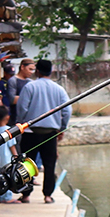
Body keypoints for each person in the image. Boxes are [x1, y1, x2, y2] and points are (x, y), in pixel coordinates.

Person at [14, 58, 70, 203]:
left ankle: (26, 194)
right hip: (51, 133)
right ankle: (48, 195)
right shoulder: (59, 89)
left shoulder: (29, 87)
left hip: (30, 132)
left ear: (37, 71)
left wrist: (21, 124)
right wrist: (62, 128)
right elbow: (67, 111)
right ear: (51, 71)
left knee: (26, 164)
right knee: (49, 165)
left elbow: (22, 108)